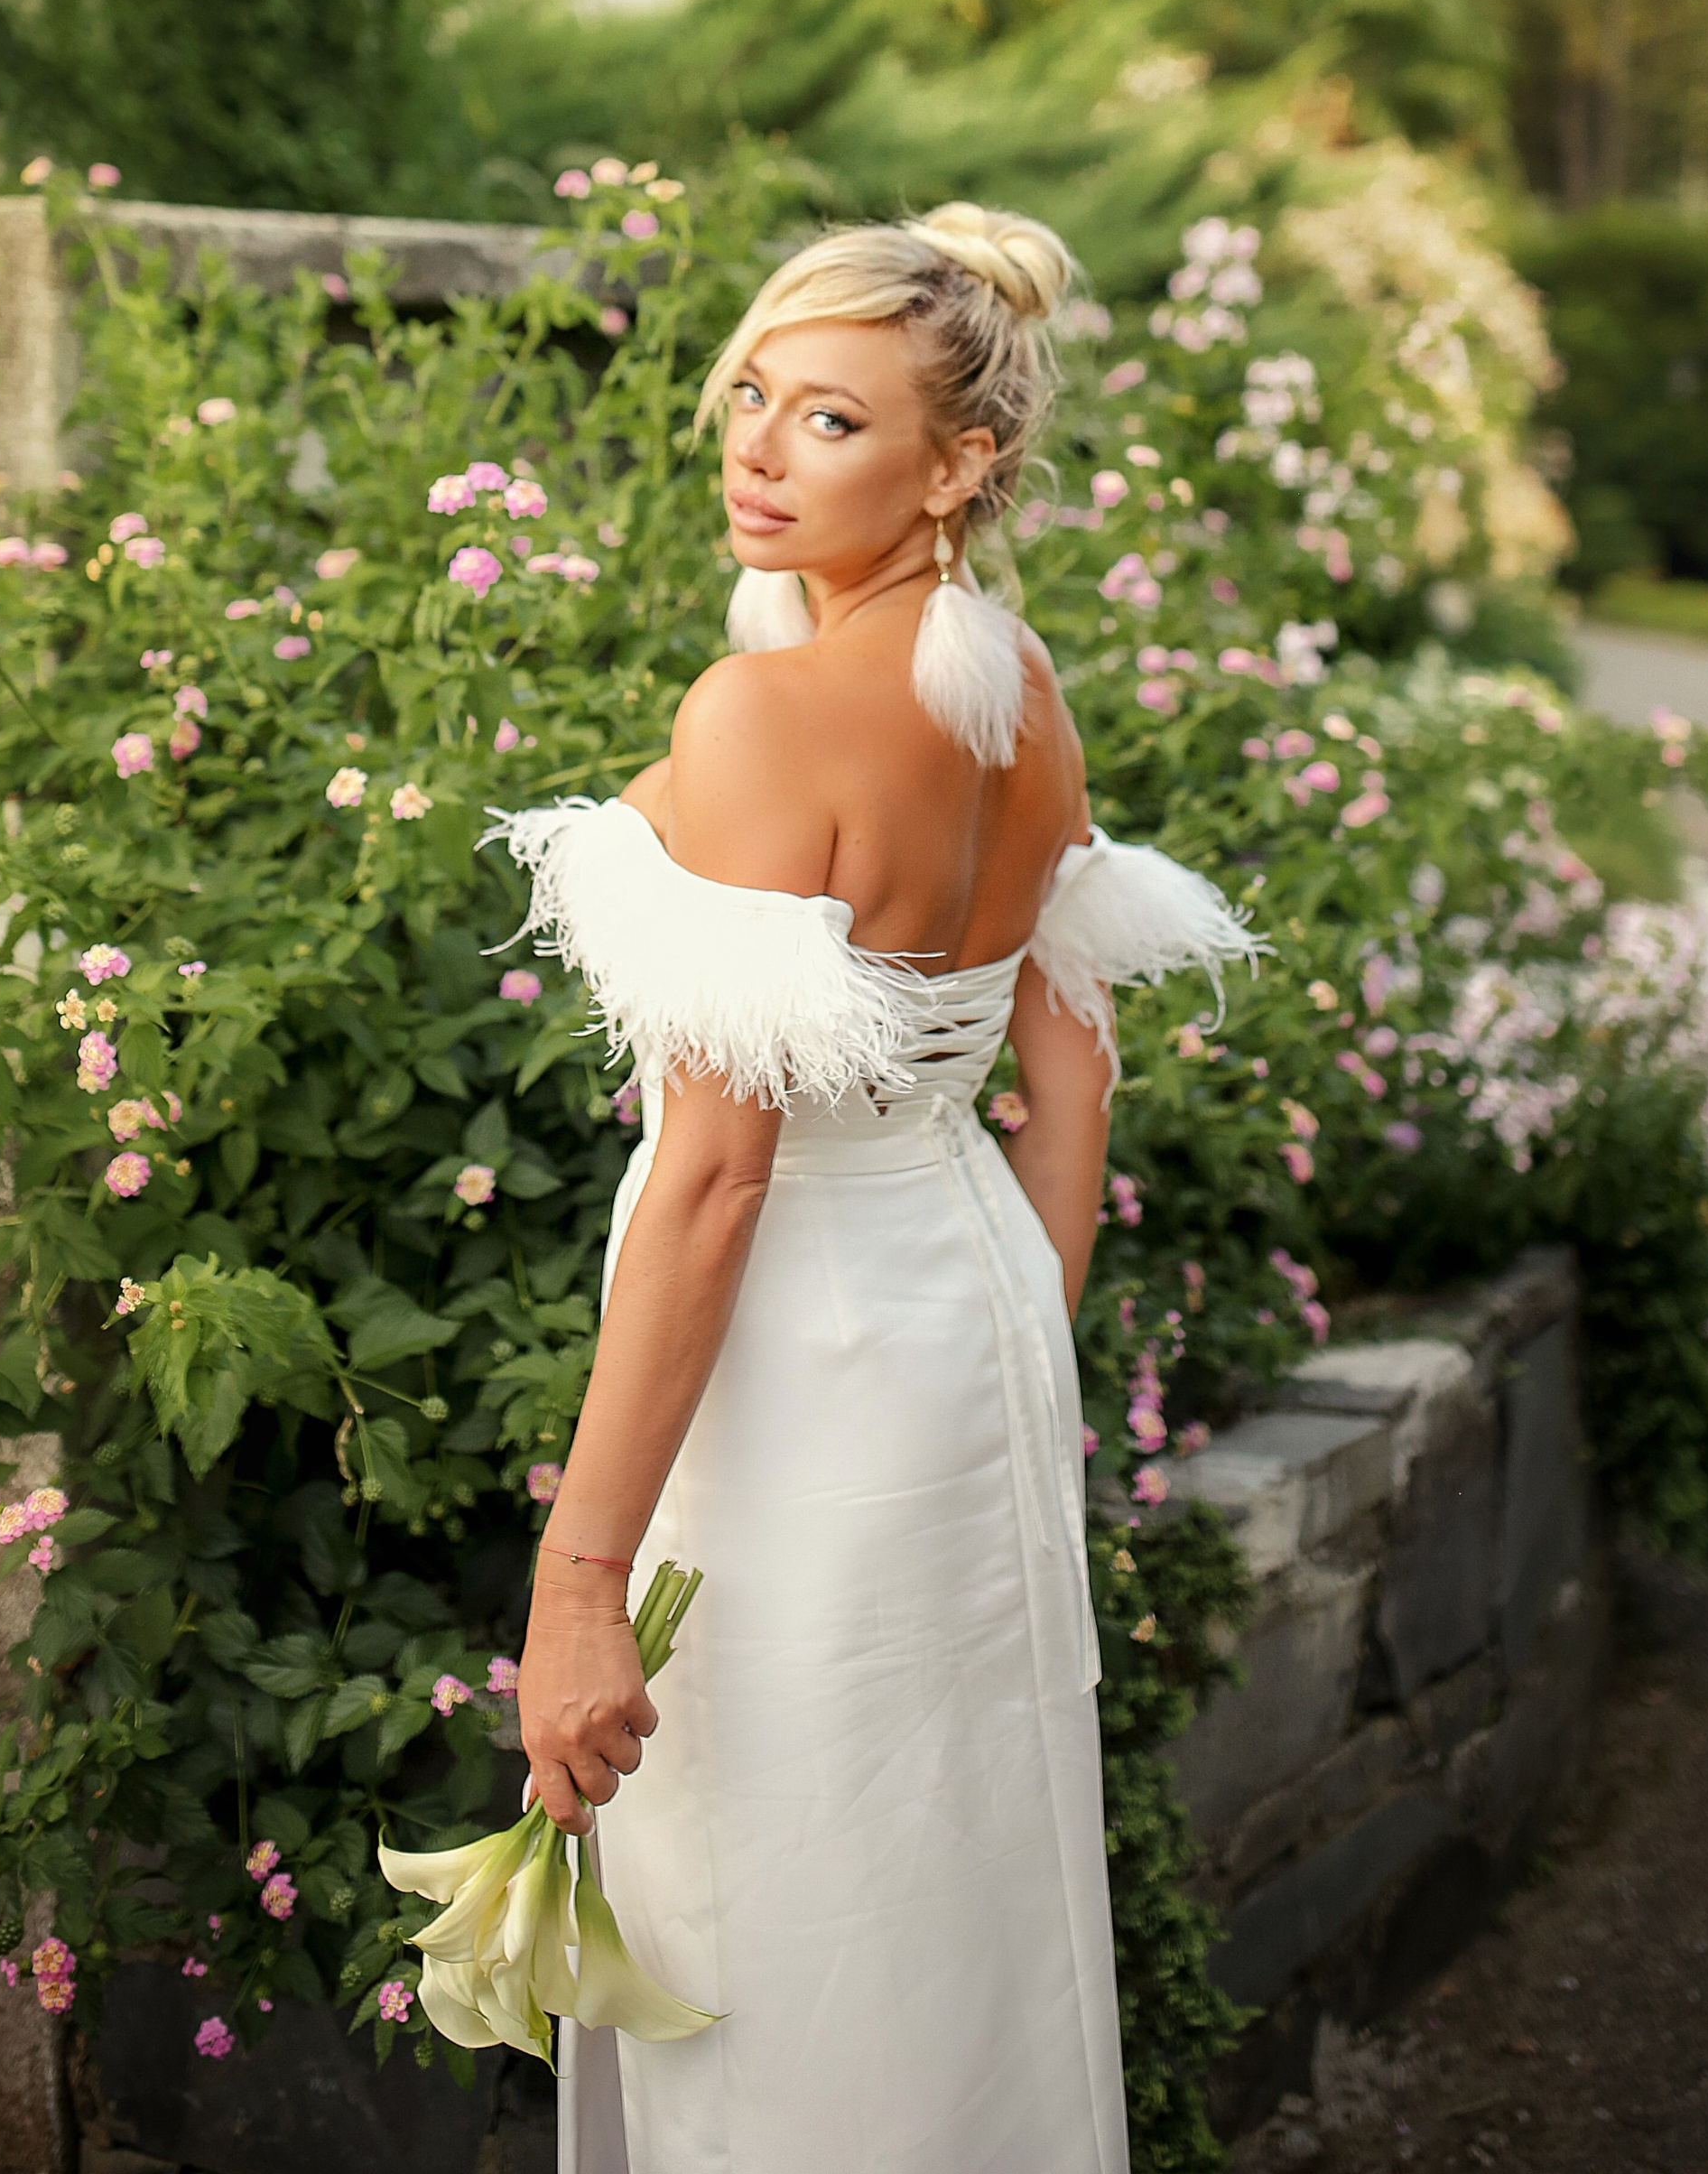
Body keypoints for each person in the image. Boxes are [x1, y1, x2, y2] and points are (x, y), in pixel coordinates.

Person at [494, 204, 1257, 2174]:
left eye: (823, 417)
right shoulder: (1018, 687)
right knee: (938, 1882)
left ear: (956, 464)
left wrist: (581, 1583)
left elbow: (714, 1183)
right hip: (958, 1330)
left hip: (793, 1369)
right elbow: (1068, 1051)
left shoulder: (757, 718)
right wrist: (1023, 1314)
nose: (753, 443)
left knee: (768, 1899)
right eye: (749, 392)